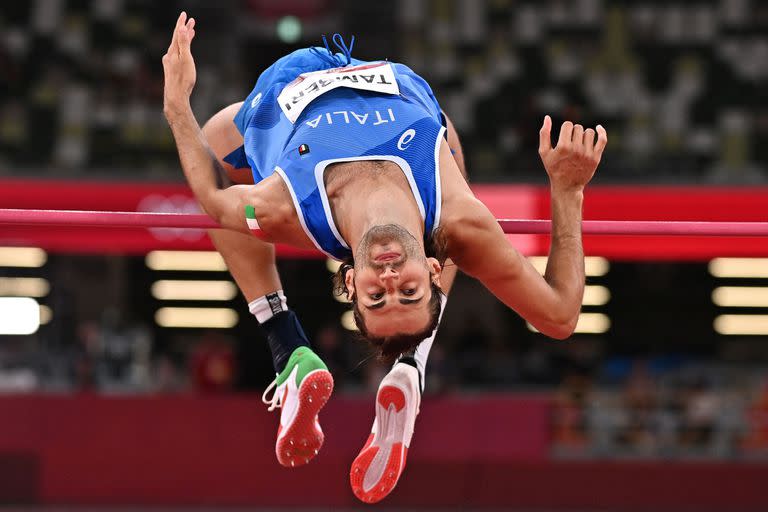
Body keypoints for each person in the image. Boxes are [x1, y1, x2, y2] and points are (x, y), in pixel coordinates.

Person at [161, 12, 607, 503]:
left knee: (217, 150)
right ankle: (412, 367)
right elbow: (561, 316)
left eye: (378, 295)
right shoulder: (461, 222)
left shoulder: (281, 205)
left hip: (287, 90)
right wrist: (568, 193)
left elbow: (211, 194)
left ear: (350, 282)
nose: (391, 276)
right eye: (409, 291)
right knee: (453, 174)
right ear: (433, 273)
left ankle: (285, 343)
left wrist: (176, 103)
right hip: (396, 92)